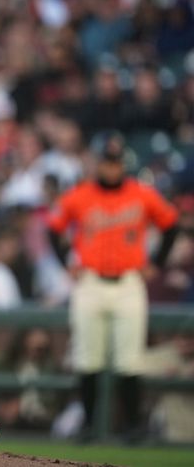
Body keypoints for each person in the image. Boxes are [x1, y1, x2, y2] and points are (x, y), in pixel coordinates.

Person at [47, 132, 179, 442]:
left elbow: (171, 225)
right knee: (87, 358)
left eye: (116, 162)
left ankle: (132, 427)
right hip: (90, 282)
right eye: (107, 162)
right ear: (98, 163)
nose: (111, 168)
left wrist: (156, 263)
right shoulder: (80, 195)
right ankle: (89, 426)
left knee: (129, 360)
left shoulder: (142, 194)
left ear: (123, 164)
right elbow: (53, 228)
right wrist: (67, 261)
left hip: (129, 283)